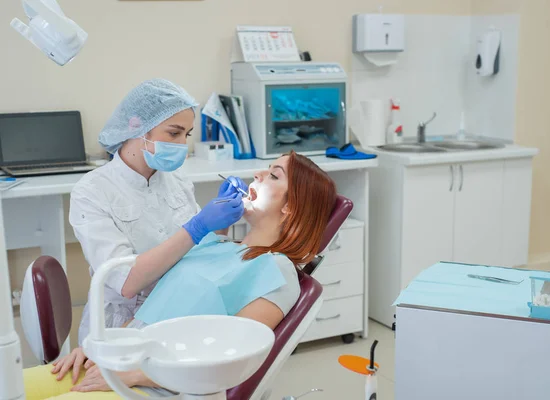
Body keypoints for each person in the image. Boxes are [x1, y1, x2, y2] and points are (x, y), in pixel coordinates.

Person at [23, 151, 338, 399]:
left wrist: (130, 375)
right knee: (11, 385)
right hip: (118, 362)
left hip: (157, 387)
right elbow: (155, 310)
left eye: (272, 175)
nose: (256, 175)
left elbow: (231, 359)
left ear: (290, 207)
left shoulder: (277, 272)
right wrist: (103, 348)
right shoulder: (215, 243)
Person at [69, 78, 248, 346]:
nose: (182, 145)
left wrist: (219, 222)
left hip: (175, 309)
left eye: (186, 135)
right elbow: (127, 282)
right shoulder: (92, 191)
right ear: (136, 127)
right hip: (120, 325)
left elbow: (199, 251)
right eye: (173, 133)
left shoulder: (177, 181)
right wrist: (198, 226)